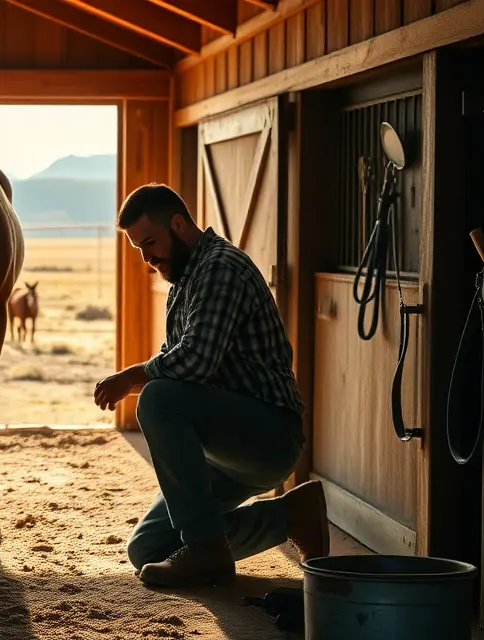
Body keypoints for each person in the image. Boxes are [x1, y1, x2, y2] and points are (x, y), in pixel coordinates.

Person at [94, 183, 329, 588]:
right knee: (148, 550)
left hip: (267, 435)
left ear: (179, 223)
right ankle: (291, 517)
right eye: (139, 250)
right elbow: (179, 366)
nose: (147, 257)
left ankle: (206, 549)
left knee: (158, 399)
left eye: (150, 242)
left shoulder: (221, 268)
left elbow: (196, 362)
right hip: (221, 452)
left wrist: (132, 377)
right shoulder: (185, 282)